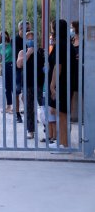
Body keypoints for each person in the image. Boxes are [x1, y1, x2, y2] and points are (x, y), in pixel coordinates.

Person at [48, 19, 77, 148]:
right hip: (66, 81)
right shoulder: (66, 43)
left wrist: (52, 85)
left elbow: (57, 67)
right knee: (59, 112)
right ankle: (62, 141)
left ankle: (64, 144)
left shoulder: (60, 44)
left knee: (62, 114)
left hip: (62, 83)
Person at [16, 31, 45, 140]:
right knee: (29, 108)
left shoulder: (41, 52)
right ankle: (30, 130)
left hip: (40, 84)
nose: (31, 40)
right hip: (27, 84)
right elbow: (19, 65)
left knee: (43, 107)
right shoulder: (22, 52)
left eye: (32, 38)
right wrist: (29, 53)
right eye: (28, 38)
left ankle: (48, 130)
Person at [14, 21, 30, 123]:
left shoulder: (30, 39)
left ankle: (29, 114)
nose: (28, 31)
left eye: (28, 29)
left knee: (27, 93)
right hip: (18, 70)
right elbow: (17, 59)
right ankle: (17, 114)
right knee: (16, 92)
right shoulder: (15, 40)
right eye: (26, 29)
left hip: (29, 69)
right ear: (20, 29)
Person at [0, 31, 14, 113]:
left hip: (12, 66)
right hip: (5, 66)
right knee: (7, 88)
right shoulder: (0, 47)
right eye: (1, 35)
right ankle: (8, 107)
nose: (3, 36)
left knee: (14, 87)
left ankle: (15, 107)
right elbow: (1, 58)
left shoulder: (12, 44)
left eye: (5, 34)